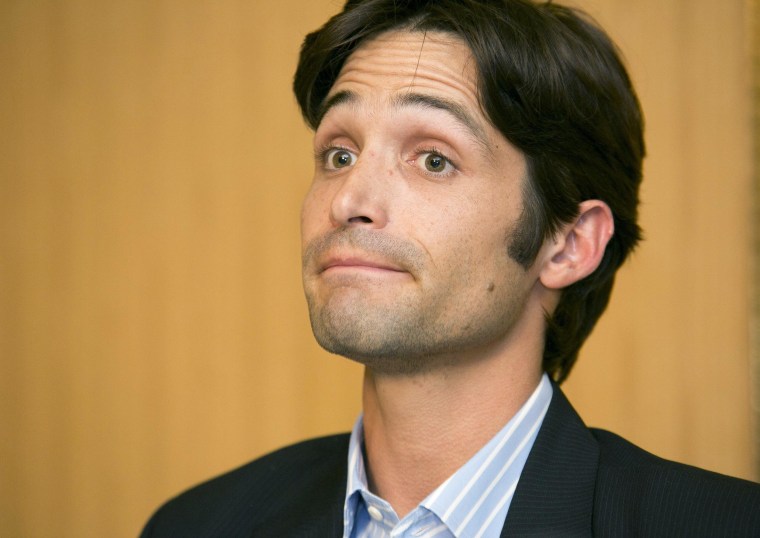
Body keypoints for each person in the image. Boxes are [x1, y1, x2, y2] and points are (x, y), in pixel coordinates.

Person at [141, 0, 760, 536]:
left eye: (433, 160)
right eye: (339, 153)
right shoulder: (198, 525)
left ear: (568, 244)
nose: (348, 200)